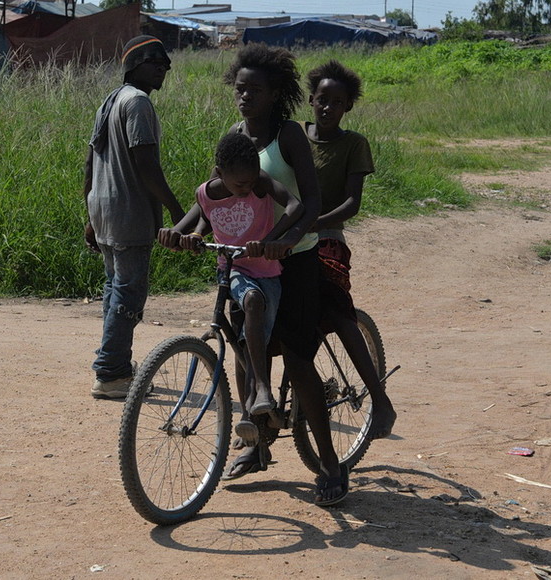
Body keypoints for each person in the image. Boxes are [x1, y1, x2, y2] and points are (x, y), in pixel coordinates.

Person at [218, 43, 348, 506]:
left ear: (276, 94)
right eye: (240, 88)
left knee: (296, 357)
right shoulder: (235, 135)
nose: (245, 96)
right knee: (242, 351)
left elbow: (310, 203)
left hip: (294, 259)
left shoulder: (290, 135)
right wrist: (185, 231)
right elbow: (216, 196)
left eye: (255, 90)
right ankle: (257, 446)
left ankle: (331, 464)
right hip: (250, 260)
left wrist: (286, 239)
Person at [158, 133, 303, 445]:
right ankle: (254, 405)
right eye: (239, 185)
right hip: (233, 270)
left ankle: (260, 393)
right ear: (219, 173)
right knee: (248, 313)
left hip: (267, 271)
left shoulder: (259, 182)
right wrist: (188, 235)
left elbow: (294, 206)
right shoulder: (206, 193)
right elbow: (203, 219)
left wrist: (270, 241)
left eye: (250, 183)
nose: (246, 189)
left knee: (251, 339)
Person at [84, 35, 186, 399]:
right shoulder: (138, 102)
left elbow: (90, 161)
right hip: (129, 213)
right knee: (128, 296)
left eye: (166, 62)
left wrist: (90, 213)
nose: (164, 66)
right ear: (134, 64)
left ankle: (115, 364)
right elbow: (146, 163)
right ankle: (111, 373)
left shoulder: (110, 101)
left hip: (105, 210)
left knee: (115, 290)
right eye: (155, 60)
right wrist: (176, 211)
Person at [303, 59, 397, 440]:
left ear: (348, 107)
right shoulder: (293, 137)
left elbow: (352, 203)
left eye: (337, 102)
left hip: (326, 237)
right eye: (322, 99)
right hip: (285, 236)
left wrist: (314, 223)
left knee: (338, 311)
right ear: (310, 99)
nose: (328, 108)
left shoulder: (353, 144)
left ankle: (380, 400)